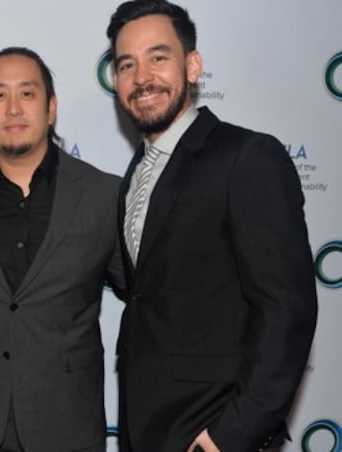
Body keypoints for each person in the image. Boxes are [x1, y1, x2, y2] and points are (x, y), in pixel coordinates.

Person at [106, 1, 318, 451]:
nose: (142, 77)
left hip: (211, 432)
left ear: (193, 65)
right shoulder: (135, 174)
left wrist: (229, 436)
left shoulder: (247, 157)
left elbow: (286, 311)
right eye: (128, 64)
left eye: (158, 58)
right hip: (143, 429)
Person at [0, 47, 126, 452]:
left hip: (69, 426)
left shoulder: (104, 195)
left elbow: (148, 301)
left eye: (27, 94)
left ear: (51, 108)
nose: (13, 108)